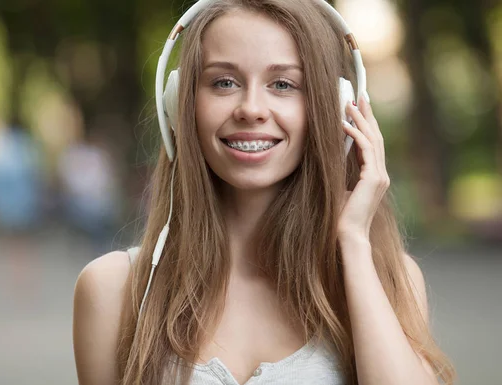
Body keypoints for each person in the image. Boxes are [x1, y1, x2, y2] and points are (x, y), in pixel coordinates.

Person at [73, 1, 456, 384]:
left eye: (283, 84)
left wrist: (353, 243)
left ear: (337, 108)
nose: (251, 109)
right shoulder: (113, 290)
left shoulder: (389, 277)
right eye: (224, 82)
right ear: (179, 104)